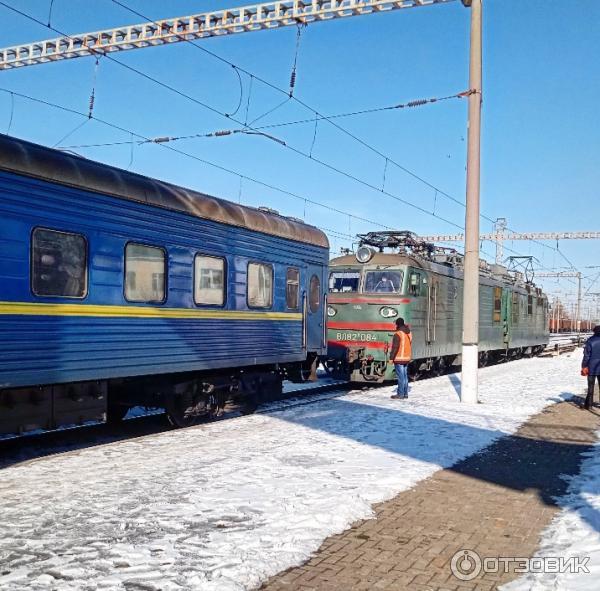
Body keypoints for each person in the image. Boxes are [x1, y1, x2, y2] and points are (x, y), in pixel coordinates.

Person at [389, 317, 412, 400]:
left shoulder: (398, 334)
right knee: (405, 376)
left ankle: (400, 394)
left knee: (401, 377)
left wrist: (391, 358)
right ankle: (405, 394)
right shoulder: (409, 333)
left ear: (397, 324)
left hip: (399, 358)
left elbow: (395, 347)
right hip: (406, 358)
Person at [582, 325, 600, 410]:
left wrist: (584, 366)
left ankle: (589, 405)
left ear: (594, 331)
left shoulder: (590, 340)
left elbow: (586, 356)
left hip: (592, 367)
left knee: (591, 386)